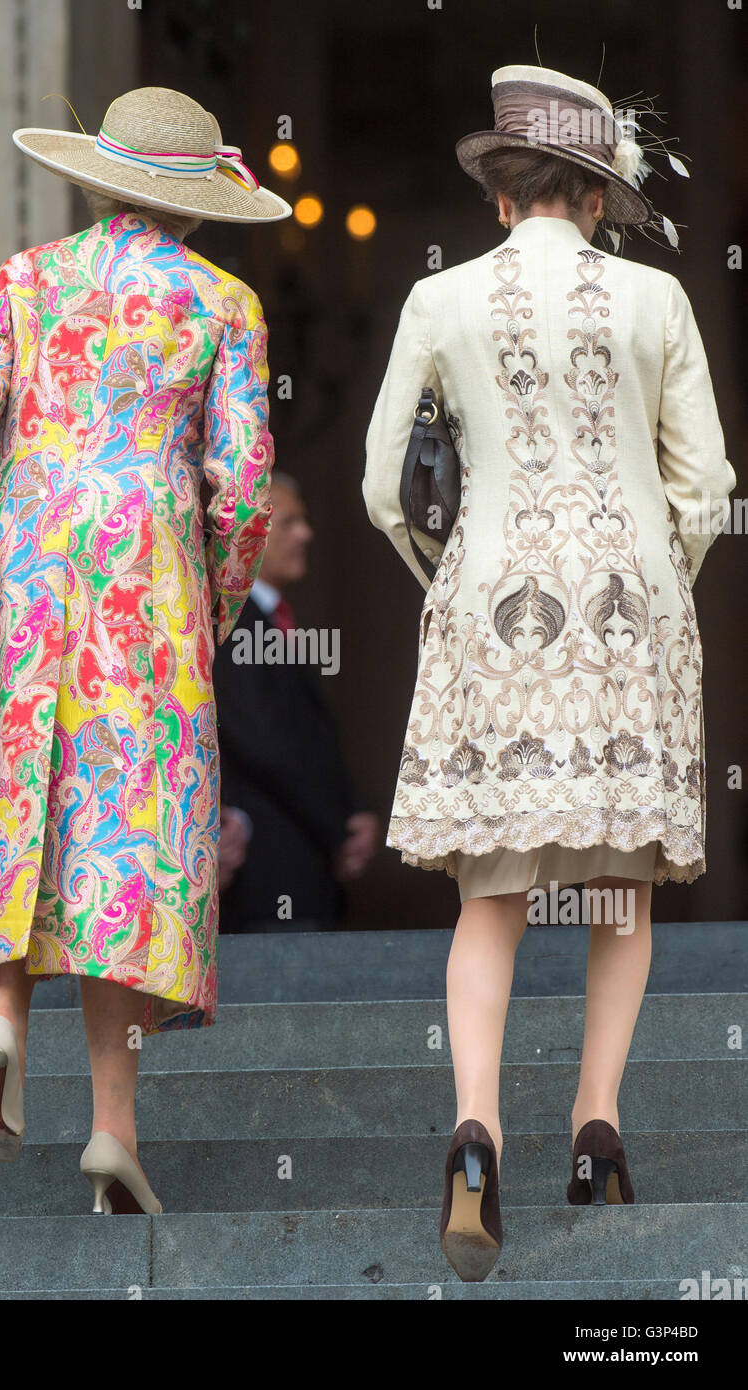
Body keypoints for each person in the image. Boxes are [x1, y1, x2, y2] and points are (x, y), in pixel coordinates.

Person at [0, 85, 290, 1213]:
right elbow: (242, 483)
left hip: (25, 556)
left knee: (22, 784)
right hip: (147, 575)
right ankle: (114, 1128)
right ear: (198, 201)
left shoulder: (25, 280)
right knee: (126, 840)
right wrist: (217, 599)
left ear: (96, 178)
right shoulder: (223, 300)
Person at [363, 63, 735, 1281]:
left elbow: (381, 490)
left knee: (492, 891)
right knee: (619, 887)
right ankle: (597, 1127)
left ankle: (476, 1135)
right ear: (595, 191)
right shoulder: (659, 299)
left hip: (492, 609)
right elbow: (706, 490)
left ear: (502, 195)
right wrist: (653, 582)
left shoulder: (439, 299)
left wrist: (450, 576)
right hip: (630, 610)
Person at [213, 471, 379, 931]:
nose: (305, 534)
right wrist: (340, 824)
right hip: (269, 871)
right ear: (246, 534)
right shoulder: (235, 619)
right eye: (288, 523)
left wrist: (351, 808)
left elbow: (307, 734)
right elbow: (268, 742)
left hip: (299, 864)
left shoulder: (270, 619)